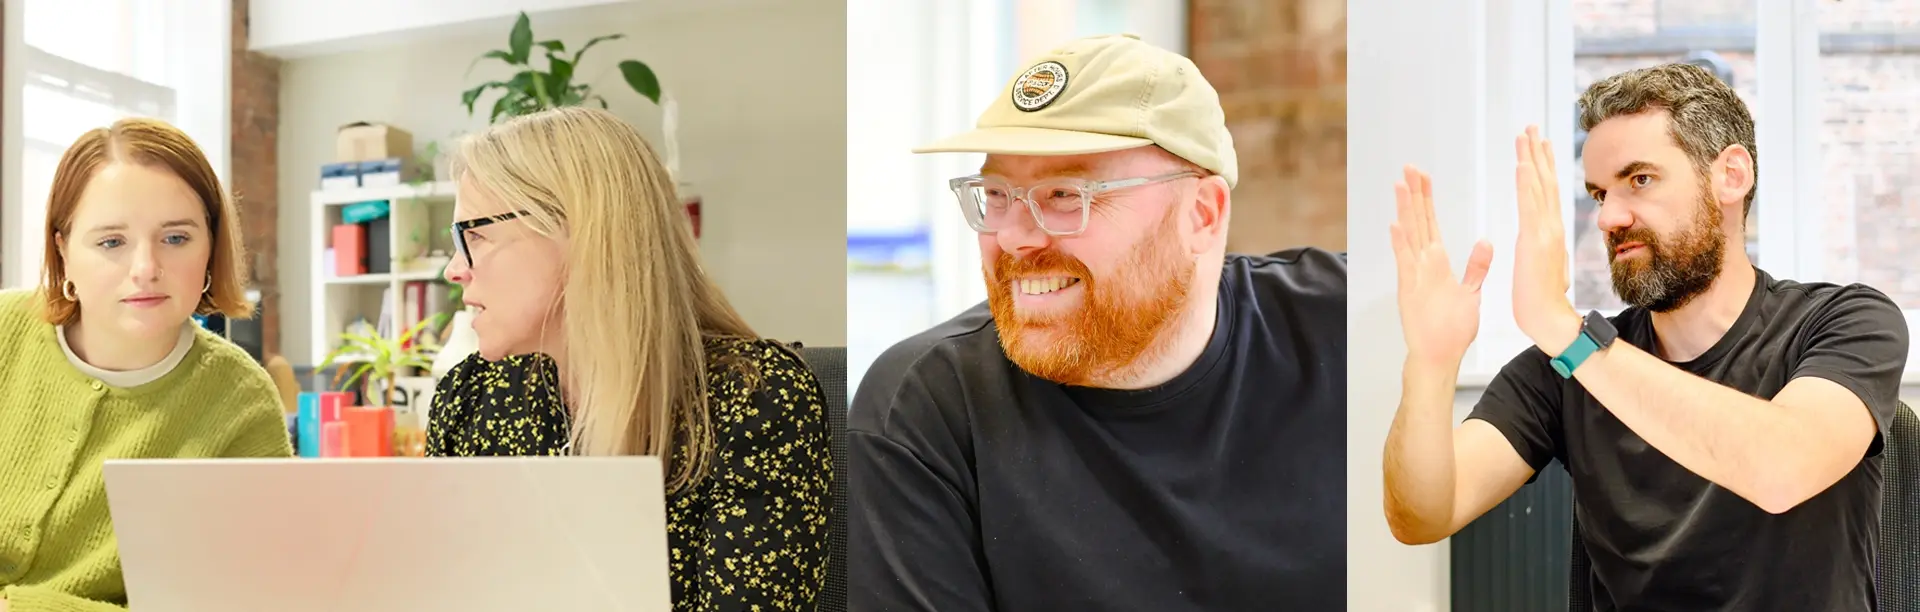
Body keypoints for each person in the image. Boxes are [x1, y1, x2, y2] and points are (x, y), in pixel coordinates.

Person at [1382, 63, 1906, 611]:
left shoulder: (1847, 321)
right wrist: (1430, 364)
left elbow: (1780, 468)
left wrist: (1562, 328)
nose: (1609, 217)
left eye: (1639, 180)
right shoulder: (1564, 369)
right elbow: (1421, 516)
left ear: (1731, 175)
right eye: (1598, 192)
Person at [850, 33, 1347, 610]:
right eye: (998, 194)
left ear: (1203, 216)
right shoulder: (929, 408)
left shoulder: (1342, 328)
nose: (1013, 236)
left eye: (1065, 194)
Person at [423, 106, 831, 612]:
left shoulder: (752, 399)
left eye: (474, 235)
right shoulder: (471, 397)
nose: (453, 269)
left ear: (581, 232)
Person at [0, 118, 293, 612]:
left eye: (176, 239)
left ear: (210, 247)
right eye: (111, 242)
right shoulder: (6, 331)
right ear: (63, 252)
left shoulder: (242, 402)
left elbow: (245, 602)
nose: (145, 268)